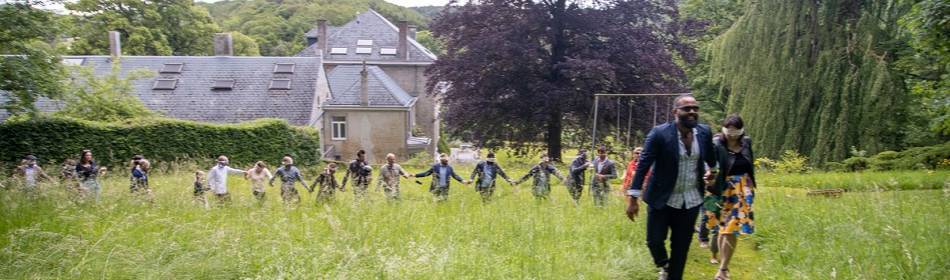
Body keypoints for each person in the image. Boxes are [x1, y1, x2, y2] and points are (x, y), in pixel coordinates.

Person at [625, 95, 718, 280]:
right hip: (661, 199)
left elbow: (711, 158)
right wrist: (632, 199)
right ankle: (664, 265)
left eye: (695, 108)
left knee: (681, 248)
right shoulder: (659, 134)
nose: (692, 111)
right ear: (675, 112)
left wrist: (713, 172)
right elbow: (643, 165)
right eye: (687, 108)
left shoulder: (704, 132)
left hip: (690, 200)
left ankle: (674, 274)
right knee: (654, 241)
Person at [705, 114, 757, 280]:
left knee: (731, 229)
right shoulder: (716, 144)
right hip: (721, 189)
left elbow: (750, 164)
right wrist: (708, 175)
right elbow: (709, 163)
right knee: (722, 230)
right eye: (730, 130)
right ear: (724, 129)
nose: (732, 134)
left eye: (736, 131)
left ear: (741, 131)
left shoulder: (746, 142)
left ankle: (723, 269)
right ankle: (724, 268)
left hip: (742, 190)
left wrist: (750, 186)